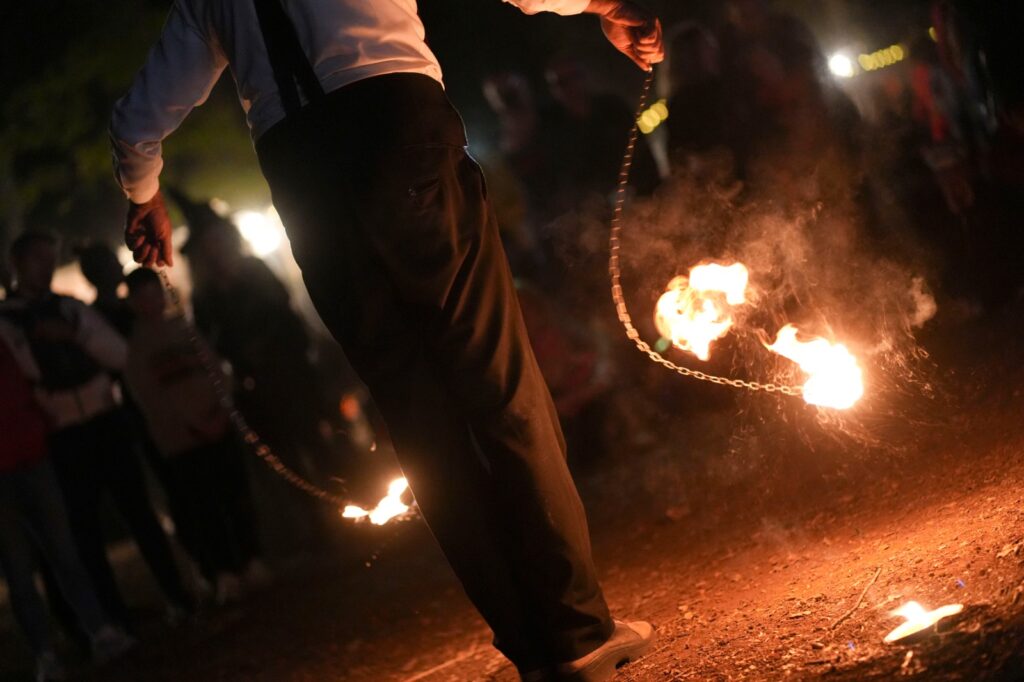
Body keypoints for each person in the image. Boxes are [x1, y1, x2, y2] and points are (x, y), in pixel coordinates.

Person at [110, 1, 663, 680]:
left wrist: (143, 191)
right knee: (497, 385)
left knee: (418, 418)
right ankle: (574, 633)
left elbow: (138, 116)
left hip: (302, 172)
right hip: (398, 125)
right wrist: (603, 5)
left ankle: (529, 643)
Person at [0, 231, 192, 629]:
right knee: (82, 532)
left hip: (104, 420)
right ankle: (112, 618)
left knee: (139, 513)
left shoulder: (71, 310)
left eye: (49, 257)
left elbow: (120, 354)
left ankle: (178, 595)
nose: (46, 266)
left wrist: (73, 336)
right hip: (61, 434)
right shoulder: (8, 323)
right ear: (17, 264)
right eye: (38, 258)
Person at [0, 323, 135, 682]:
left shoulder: (9, 331)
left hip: (32, 455)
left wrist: (42, 418)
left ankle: (98, 630)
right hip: (11, 467)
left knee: (64, 552)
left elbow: (31, 379)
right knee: (19, 570)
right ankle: (45, 651)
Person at [123, 267, 264, 604]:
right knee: (204, 507)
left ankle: (251, 560)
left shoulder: (185, 329)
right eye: (142, 297)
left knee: (235, 496)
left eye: (153, 293)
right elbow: (151, 399)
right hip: (182, 441)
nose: (150, 302)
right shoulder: (136, 348)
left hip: (217, 425)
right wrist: (194, 424)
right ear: (133, 303)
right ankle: (224, 571)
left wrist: (220, 410)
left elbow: (216, 369)